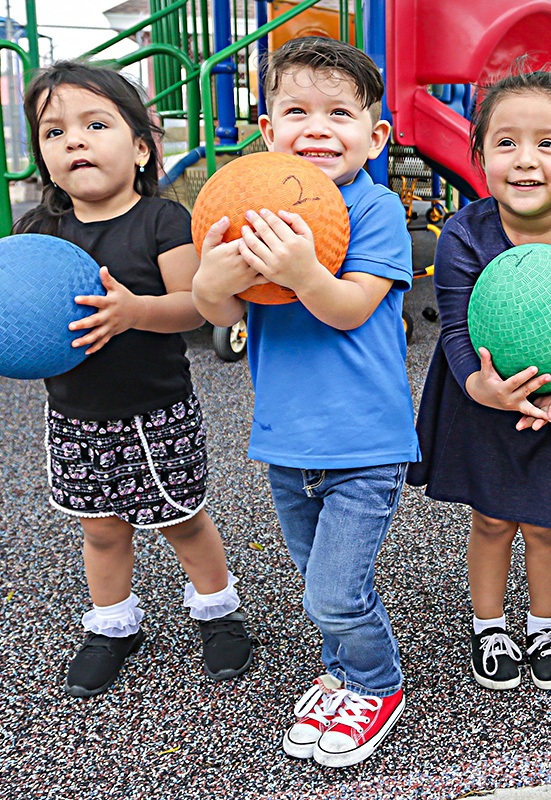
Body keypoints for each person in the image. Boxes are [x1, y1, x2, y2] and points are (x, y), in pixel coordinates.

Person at [0, 61, 254, 698]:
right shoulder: (37, 232)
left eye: (95, 125)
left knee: (182, 521)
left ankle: (217, 611)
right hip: (75, 414)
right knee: (102, 529)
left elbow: (193, 306)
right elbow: (7, 310)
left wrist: (133, 311)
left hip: (155, 411)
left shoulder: (163, 221)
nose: (74, 140)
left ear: (141, 148)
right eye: (54, 132)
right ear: (43, 157)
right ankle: (113, 624)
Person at [192, 36, 418, 768]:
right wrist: (212, 279)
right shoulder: (246, 205)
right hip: (287, 441)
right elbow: (220, 312)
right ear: (268, 131)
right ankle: (343, 672)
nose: (317, 128)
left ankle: (377, 682)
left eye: (339, 113)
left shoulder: (377, 209)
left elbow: (349, 307)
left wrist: (299, 269)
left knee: (334, 592)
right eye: (297, 111)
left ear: (374, 137)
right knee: (319, 579)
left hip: (365, 442)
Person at [407, 72, 551, 695]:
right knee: (493, 521)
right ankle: (490, 627)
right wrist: (480, 386)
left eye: (547, 144)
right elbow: (454, 327)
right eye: (506, 143)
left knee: (549, 525)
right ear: (480, 157)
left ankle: (546, 627)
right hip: (481, 402)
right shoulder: (463, 234)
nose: (525, 159)